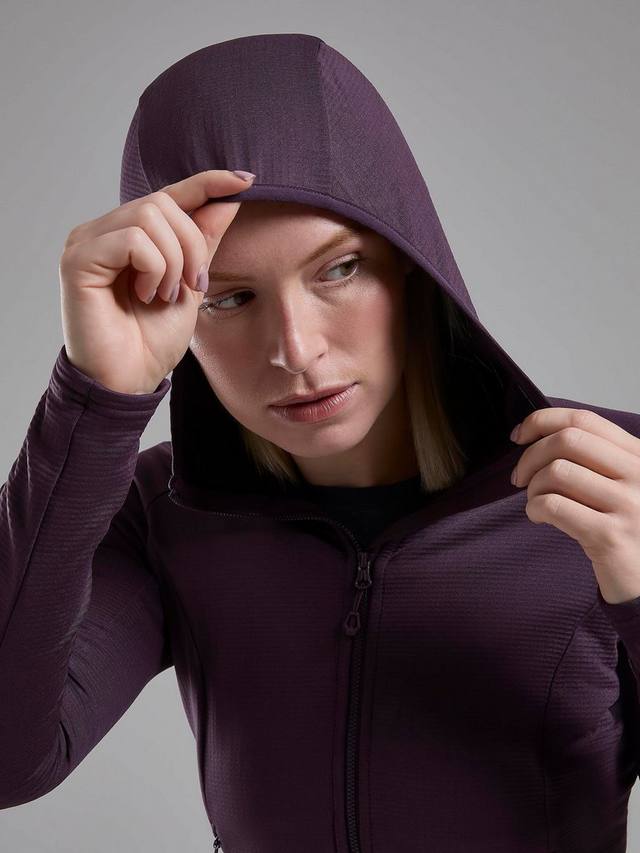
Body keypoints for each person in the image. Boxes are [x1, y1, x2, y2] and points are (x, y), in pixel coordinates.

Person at [1, 32, 640, 853]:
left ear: (408, 261)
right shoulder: (159, 513)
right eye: (229, 298)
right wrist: (94, 397)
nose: (296, 351)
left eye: (339, 269)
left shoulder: (612, 483)